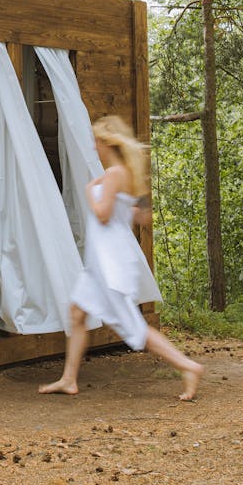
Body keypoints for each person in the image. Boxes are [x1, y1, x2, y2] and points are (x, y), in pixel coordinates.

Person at [39, 115, 203, 401]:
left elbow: (102, 215)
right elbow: (144, 217)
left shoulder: (114, 174)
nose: (93, 147)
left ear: (106, 142)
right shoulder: (125, 173)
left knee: (134, 328)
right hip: (100, 260)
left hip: (109, 263)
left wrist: (90, 192)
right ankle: (68, 378)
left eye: (95, 141)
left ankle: (187, 366)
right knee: (77, 314)